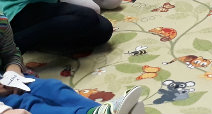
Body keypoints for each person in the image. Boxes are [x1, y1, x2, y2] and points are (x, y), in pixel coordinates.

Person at [0, 13, 142, 114]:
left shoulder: (2, 22)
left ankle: (98, 110)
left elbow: (11, 53)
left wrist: (13, 71)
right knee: (24, 103)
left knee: (51, 87)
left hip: (6, 78)